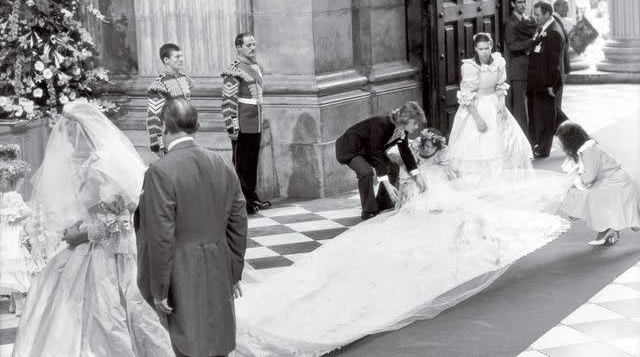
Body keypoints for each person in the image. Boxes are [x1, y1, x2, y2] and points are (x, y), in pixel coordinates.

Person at [232, 133, 571, 357]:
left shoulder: (419, 165)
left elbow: (416, 180)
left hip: (424, 209)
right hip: (425, 210)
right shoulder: (411, 160)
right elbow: (413, 179)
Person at [13, 100, 173, 357]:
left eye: (70, 135)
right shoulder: (91, 162)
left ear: (82, 133)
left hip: (110, 255)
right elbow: (96, 211)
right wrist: (77, 225)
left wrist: (81, 234)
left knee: (113, 311)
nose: (68, 142)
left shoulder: (103, 166)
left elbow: (120, 219)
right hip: (93, 244)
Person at [136, 98, 248, 357]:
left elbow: (160, 236)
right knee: (218, 342)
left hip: (182, 269)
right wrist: (235, 270)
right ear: (196, 125)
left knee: (190, 346)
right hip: (219, 262)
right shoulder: (223, 162)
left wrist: (159, 288)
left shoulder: (159, 171)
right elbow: (239, 222)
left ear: (164, 126)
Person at [446, 33, 533, 183]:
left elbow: (500, 86)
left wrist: (501, 105)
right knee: (479, 146)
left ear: (491, 46)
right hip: (476, 107)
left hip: (494, 103)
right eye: (481, 49)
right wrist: (478, 120)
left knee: (504, 141)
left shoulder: (498, 62)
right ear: (475, 49)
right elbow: (467, 96)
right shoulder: (469, 67)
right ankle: (481, 183)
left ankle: (500, 181)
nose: (484, 52)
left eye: (487, 48)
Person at [335, 101, 427, 220]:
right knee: (366, 172)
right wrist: (387, 184)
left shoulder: (401, 129)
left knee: (393, 169)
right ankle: (368, 211)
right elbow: (377, 154)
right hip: (350, 148)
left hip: (367, 150)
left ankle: (382, 204)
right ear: (406, 119)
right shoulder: (381, 124)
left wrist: (417, 176)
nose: (416, 127)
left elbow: (405, 152)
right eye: (415, 123)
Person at [556, 122, 640, 246]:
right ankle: (610, 229)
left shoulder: (589, 150)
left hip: (617, 183)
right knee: (589, 197)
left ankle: (608, 229)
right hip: (613, 181)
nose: (561, 145)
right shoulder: (586, 149)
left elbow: (589, 177)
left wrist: (573, 183)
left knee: (588, 197)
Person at [221, 33, 271, 215]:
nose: (252, 48)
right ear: (239, 48)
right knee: (241, 166)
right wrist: (232, 125)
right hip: (242, 123)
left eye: (254, 44)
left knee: (252, 163)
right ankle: (242, 202)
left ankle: (252, 197)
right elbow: (228, 101)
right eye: (248, 45)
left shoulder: (255, 67)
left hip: (255, 122)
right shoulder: (234, 70)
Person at [527, 0, 565, 159]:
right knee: (549, 115)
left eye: (537, 14)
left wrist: (551, 84)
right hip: (537, 82)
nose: (535, 17)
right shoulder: (543, 28)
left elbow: (554, 62)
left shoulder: (554, 32)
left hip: (546, 83)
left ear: (547, 14)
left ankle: (543, 149)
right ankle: (576, 136)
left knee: (547, 117)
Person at [0, 143, 35, 317]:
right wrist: (30, 210)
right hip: (13, 234)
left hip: (5, 234)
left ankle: (13, 304)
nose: (22, 183)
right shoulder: (14, 196)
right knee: (16, 268)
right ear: (15, 181)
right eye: (21, 180)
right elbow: (18, 214)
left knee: (10, 267)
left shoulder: (3, 196)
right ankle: (20, 306)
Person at [147, 43, 194, 156]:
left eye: (181, 56)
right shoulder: (159, 84)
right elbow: (154, 116)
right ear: (166, 60)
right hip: (171, 134)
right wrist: (157, 144)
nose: (181, 59)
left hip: (187, 132)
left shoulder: (184, 79)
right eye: (177, 57)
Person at [504, 0, 537, 134]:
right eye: (520, 2)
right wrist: (531, 41)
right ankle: (523, 139)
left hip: (531, 66)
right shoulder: (510, 23)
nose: (523, 5)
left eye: (525, 1)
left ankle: (532, 136)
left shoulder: (529, 20)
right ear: (512, 4)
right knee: (520, 107)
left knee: (531, 103)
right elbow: (512, 45)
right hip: (518, 68)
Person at [551, 0, 571, 128]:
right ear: (557, 7)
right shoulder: (555, 22)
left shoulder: (559, 21)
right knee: (556, 100)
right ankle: (558, 124)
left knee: (558, 100)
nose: (568, 9)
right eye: (565, 6)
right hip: (558, 68)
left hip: (562, 67)